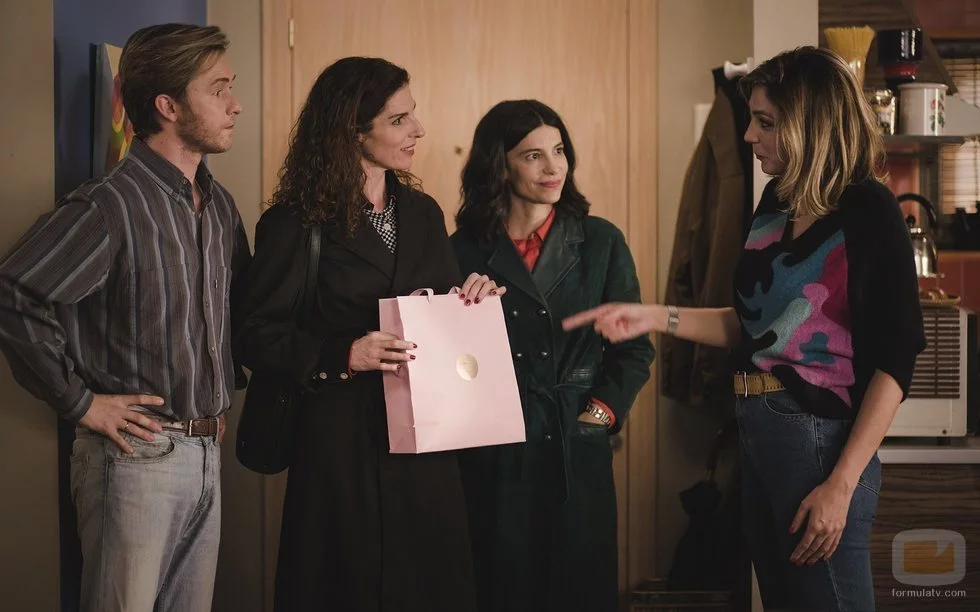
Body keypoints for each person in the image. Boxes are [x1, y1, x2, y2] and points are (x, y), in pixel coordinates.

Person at [565, 47, 926, 611]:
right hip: (757, 431)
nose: (749, 135)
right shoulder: (776, 200)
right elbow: (753, 327)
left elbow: (897, 360)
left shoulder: (868, 209)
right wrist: (654, 316)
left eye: (766, 122)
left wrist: (841, 484)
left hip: (820, 442)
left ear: (810, 124)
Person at [235, 56, 498, 611]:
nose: (418, 129)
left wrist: (472, 299)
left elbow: (439, 313)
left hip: (426, 444)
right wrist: (342, 354)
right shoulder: (294, 222)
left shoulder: (424, 212)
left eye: (412, 114)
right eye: (399, 120)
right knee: (344, 588)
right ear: (353, 130)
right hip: (338, 446)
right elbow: (253, 334)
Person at [0, 23, 247, 611]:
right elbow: (14, 293)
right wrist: (81, 403)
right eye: (218, 89)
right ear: (168, 106)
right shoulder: (109, 204)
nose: (235, 104)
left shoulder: (218, 206)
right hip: (135, 462)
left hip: (207, 452)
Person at [450, 99, 654, 612]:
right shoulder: (461, 250)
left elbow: (634, 351)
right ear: (499, 165)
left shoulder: (601, 241)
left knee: (577, 590)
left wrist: (597, 416)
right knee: (499, 590)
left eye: (559, 150)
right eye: (532, 155)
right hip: (494, 452)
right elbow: (447, 357)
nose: (553, 167)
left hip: (574, 447)